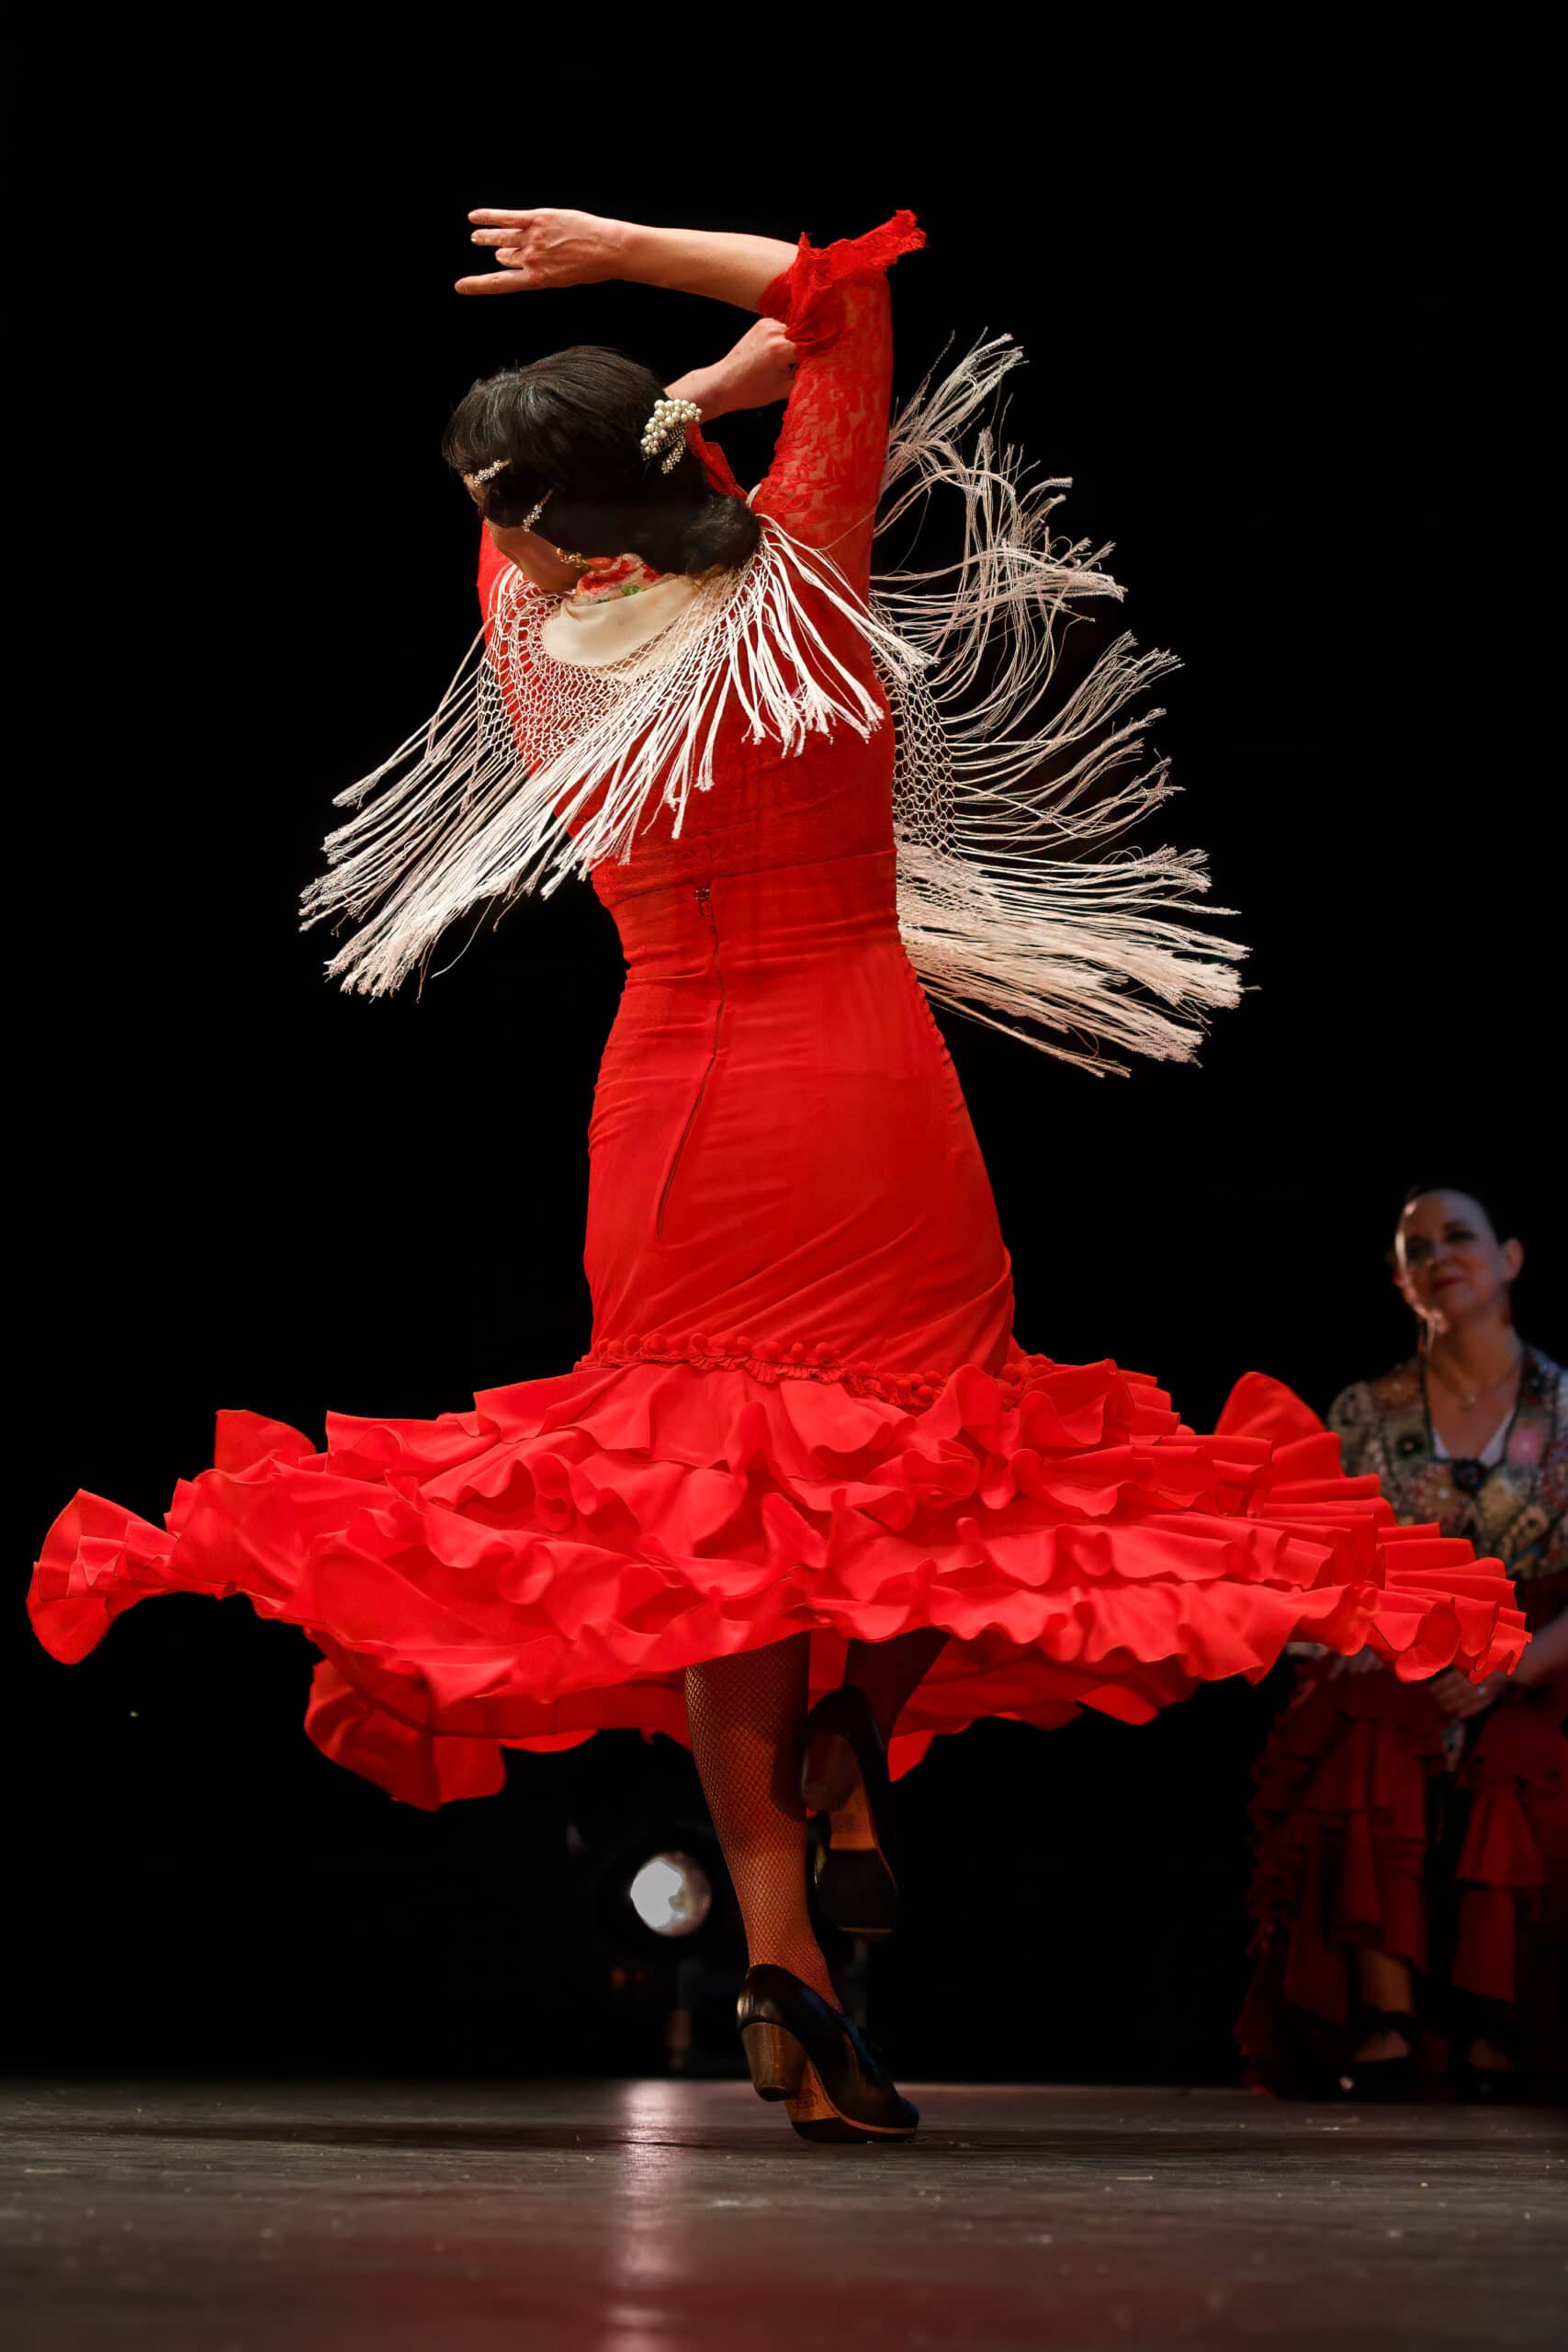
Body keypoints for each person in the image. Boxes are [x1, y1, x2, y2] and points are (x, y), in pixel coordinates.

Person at [29, 211, 1526, 2144]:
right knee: (952, 1457)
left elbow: (632, 464)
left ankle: (779, 1957)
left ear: (548, 521)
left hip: (664, 1106)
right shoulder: (797, 582)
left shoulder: (532, 633)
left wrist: (691, 398)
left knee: (718, 1506)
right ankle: (850, 1751)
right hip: (858, 1084)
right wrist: (634, 260)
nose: (502, 532)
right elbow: (840, 295)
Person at [1235, 1186, 1565, 2099]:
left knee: (1525, 1756)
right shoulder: (1364, 1412)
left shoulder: (1566, 1407)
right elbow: (1325, 1559)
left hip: (1541, 1656)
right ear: (1398, 1281)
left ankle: (1500, 2021)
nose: (1439, 1257)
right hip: (1402, 1650)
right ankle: (1385, 2015)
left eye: (1459, 1237)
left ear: (1509, 1258)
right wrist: (1399, 1645)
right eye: (1416, 1249)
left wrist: (1511, 1663)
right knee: (1366, 1733)